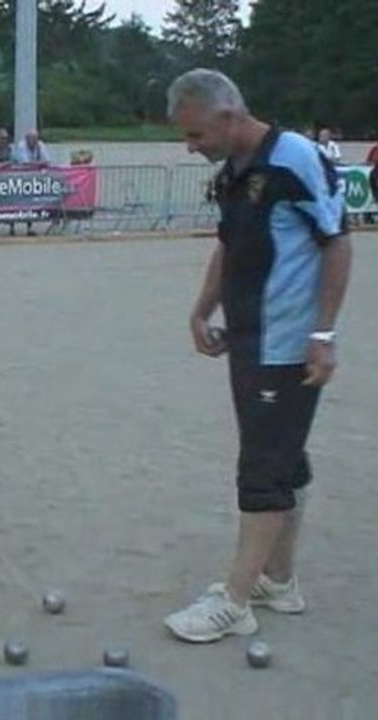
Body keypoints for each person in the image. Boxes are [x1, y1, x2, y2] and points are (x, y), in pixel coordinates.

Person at [163, 69, 352, 643]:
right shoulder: (233, 174)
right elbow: (229, 245)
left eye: (196, 136)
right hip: (248, 339)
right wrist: (202, 309)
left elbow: (337, 241)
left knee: (264, 467)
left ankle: (236, 599)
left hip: (286, 343)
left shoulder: (295, 158)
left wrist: (323, 333)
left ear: (228, 115)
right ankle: (279, 580)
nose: (191, 148)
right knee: (281, 459)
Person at [12, 129, 52, 236]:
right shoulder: (21, 146)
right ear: (27, 139)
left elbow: (47, 161)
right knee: (19, 203)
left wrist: (37, 164)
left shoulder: (40, 145)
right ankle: (13, 225)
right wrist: (39, 164)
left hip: (35, 180)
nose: (34, 141)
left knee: (34, 202)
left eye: (36, 139)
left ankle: (31, 226)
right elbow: (25, 163)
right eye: (32, 139)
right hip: (20, 180)